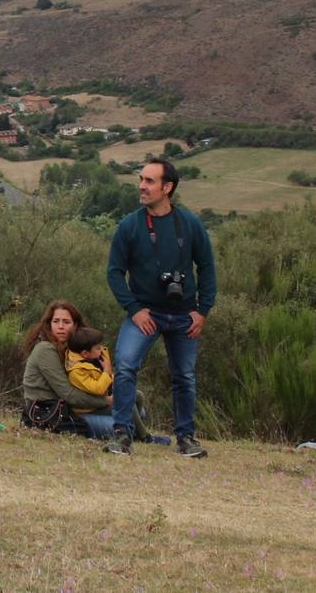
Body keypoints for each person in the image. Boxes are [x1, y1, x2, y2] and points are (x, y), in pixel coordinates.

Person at [103, 158, 216, 458]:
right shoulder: (129, 226)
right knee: (125, 365)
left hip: (185, 315)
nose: (142, 186)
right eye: (141, 179)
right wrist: (134, 309)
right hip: (144, 314)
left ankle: (186, 438)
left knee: (184, 376)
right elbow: (114, 272)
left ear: (168, 188)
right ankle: (121, 434)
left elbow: (206, 267)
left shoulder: (190, 224)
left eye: (150, 181)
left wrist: (203, 310)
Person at [21, 301, 115, 438]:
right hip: (50, 412)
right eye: (56, 321)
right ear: (49, 324)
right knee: (123, 428)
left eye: (66, 322)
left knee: (135, 409)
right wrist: (107, 401)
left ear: (75, 325)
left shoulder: (75, 350)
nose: (60, 327)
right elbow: (68, 394)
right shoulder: (45, 349)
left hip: (74, 408)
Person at [64, 326, 113, 411]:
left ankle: (140, 415)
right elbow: (98, 389)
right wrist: (106, 370)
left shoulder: (92, 358)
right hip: (90, 410)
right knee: (126, 405)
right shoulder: (77, 371)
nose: (101, 350)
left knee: (134, 395)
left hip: (104, 400)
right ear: (85, 353)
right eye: (98, 348)